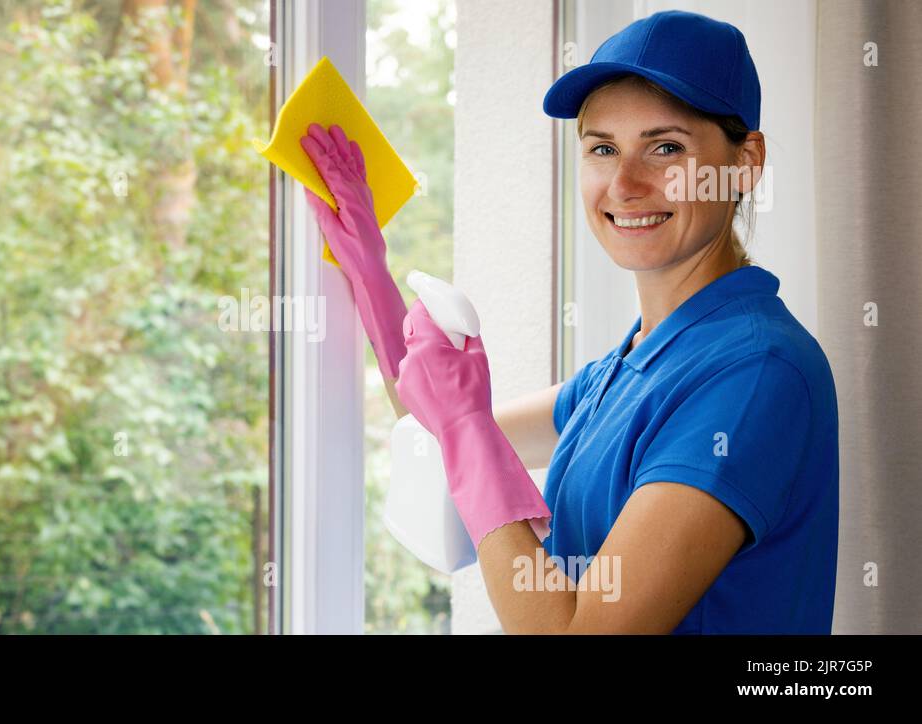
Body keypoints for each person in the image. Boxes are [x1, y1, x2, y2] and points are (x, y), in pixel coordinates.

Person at [300, 9, 838, 634]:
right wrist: (367, 265)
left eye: (666, 148)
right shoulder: (627, 369)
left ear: (745, 162)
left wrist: (468, 422)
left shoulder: (751, 372)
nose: (626, 184)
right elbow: (433, 425)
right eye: (603, 149)